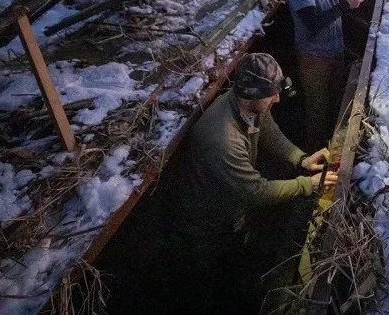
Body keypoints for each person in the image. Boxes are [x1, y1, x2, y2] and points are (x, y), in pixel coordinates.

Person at [112, 53, 337, 312]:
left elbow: (269, 132)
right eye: (271, 94)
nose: (277, 99)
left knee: (232, 270)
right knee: (204, 288)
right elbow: (256, 192)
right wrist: (307, 184)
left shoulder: (248, 105)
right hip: (202, 228)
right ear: (252, 94)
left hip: (228, 215)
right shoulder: (222, 138)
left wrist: (300, 159)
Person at [285, 0, 373, 150]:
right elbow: (313, 23)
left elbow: (338, 2)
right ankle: (314, 154)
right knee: (316, 110)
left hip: (336, 51)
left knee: (335, 101)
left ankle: (330, 144)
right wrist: (346, 5)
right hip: (314, 59)